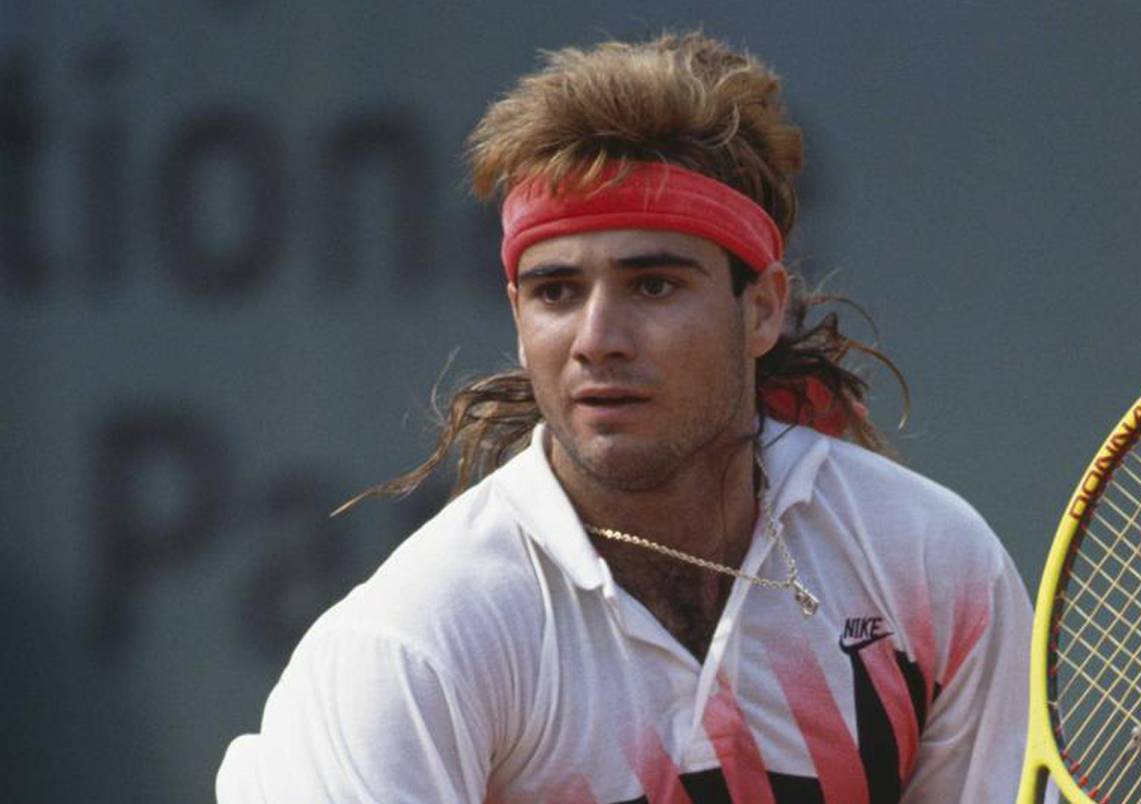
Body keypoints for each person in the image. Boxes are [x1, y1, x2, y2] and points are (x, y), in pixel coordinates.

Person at [218, 31, 1034, 803]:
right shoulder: (417, 643)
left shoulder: (929, 565)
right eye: (556, 292)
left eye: (653, 285)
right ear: (518, 319)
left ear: (762, 310)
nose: (596, 340)